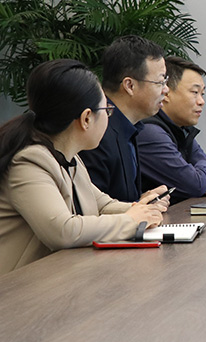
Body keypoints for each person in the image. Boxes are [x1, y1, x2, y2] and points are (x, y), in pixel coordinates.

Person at [0, 60, 168, 274]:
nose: (108, 117)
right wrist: (131, 220)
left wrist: (143, 208)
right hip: (21, 288)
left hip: (59, 278)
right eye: (106, 110)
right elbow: (62, 231)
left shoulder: (70, 158)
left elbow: (102, 205)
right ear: (87, 118)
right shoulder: (29, 162)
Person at [81, 35, 169, 202]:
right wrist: (137, 207)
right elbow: (91, 208)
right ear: (129, 86)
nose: (166, 90)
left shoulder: (128, 127)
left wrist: (143, 201)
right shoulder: (97, 133)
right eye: (160, 82)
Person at [138, 57, 206, 202]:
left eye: (202, 94)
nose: (201, 101)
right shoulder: (149, 131)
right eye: (194, 92)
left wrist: (203, 179)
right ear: (166, 93)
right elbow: (195, 185)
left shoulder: (182, 129)